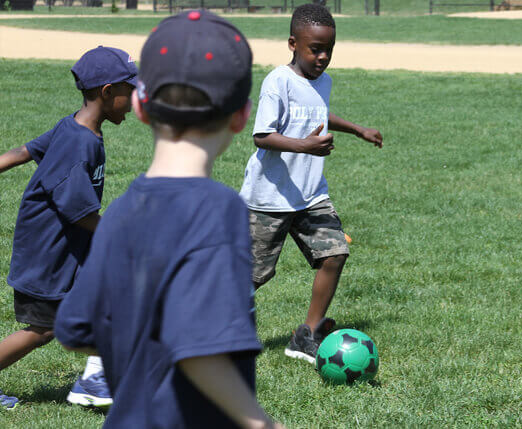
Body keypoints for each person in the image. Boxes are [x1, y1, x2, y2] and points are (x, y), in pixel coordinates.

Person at [55, 10, 282, 428]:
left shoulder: (121, 211)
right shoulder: (218, 208)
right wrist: (260, 422)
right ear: (241, 115)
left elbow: (75, 327)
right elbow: (198, 348)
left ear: (141, 106)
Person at [239, 3, 383, 364]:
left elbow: (319, 112)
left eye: (328, 50)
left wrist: (357, 129)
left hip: (310, 195)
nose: (322, 57)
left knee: (334, 253)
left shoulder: (324, 81)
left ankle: (307, 333)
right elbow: (262, 136)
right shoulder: (278, 81)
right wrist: (306, 145)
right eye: (314, 49)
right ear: (293, 44)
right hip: (269, 198)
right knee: (252, 277)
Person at [0, 46, 137, 409]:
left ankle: (103, 372)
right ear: (108, 92)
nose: (135, 98)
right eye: (130, 90)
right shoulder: (79, 143)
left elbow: (23, 152)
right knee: (40, 331)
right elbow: (78, 212)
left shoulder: (73, 126)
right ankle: (98, 379)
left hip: (68, 249)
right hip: (49, 254)